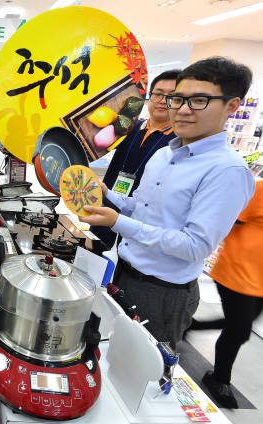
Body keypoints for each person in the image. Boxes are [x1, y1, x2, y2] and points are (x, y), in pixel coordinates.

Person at [79, 57, 256, 349]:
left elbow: (194, 246)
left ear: (232, 106)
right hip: (124, 272)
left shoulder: (227, 171)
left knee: (146, 371)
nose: (183, 110)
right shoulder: (165, 154)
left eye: (199, 100)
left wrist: (117, 221)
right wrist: (109, 194)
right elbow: (143, 206)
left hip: (163, 293)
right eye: (177, 99)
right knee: (110, 352)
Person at [91, 70, 180, 249]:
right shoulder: (128, 126)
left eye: (172, 96)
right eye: (158, 94)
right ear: (150, 96)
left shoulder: (178, 143)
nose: (163, 101)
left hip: (140, 226)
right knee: (94, 257)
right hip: (105, 207)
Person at [196, 178, 263, 408]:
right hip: (237, 273)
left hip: (259, 280)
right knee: (239, 330)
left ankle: (191, 325)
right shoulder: (259, 189)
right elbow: (228, 217)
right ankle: (219, 379)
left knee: (241, 325)